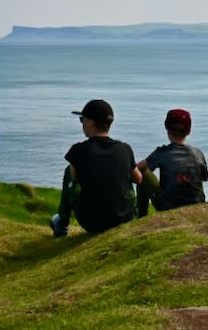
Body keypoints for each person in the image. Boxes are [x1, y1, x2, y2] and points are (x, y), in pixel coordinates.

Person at [51, 99, 142, 237]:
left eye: (82, 119)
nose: (82, 124)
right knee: (130, 173)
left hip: (91, 222)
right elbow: (138, 179)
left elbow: (75, 178)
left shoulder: (78, 150)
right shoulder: (125, 149)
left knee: (69, 171)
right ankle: (138, 215)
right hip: (124, 218)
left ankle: (62, 222)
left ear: (91, 123)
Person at [136, 108, 208, 214]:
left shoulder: (162, 153)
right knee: (197, 172)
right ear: (188, 131)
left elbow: (137, 168)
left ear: (167, 129)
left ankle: (142, 214)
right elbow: (204, 178)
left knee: (143, 171)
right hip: (197, 203)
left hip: (168, 205)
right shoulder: (198, 153)